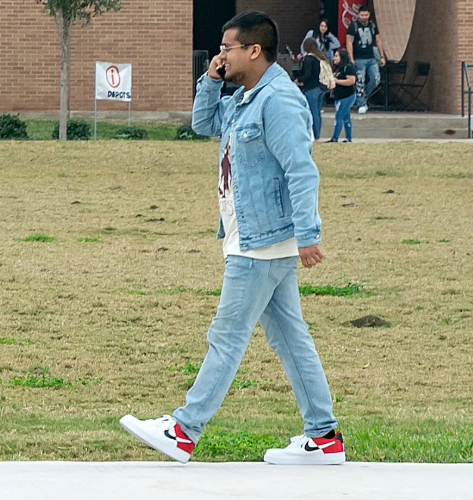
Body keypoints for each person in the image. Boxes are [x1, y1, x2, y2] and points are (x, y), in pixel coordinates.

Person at [121, 10, 343, 466]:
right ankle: (323, 438)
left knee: (227, 336)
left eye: (228, 48)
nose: (222, 54)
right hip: (257, 239)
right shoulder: (245, 97)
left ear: (254, 50)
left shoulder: (277, 101)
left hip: (261, 243)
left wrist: (308, 234)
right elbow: (203, 124)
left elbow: (302, 170)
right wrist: (210, 79)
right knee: (290, 338)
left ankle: (184, 430)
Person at [345, 8, 381, 114]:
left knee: (375, 79)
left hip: (372, 58)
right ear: (358, 15)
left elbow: (378, 40)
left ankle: (362, 98)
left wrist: (382, 56)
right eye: (362, 15)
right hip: (359, 58)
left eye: (366, 15)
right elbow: (349, 42)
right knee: (360, 82)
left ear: (369, 15)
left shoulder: (373, 25)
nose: (364, 17)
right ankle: (361, 103)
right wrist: (351, 58)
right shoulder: (353, 26)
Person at [295, 39, 330, 140]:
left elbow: (307, 74)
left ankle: (313, 135)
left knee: (311, 112)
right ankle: (317, 134)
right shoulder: (320, 57)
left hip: (311, 88)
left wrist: (298, 80)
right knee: (317, 112)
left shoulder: (308, 58)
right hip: (321, 87)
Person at [329, 50, 360, 143]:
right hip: (339, 95)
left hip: (347, 95)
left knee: (339, 116)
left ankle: (335, 138)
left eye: (336, 56)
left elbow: (351, 81)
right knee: (346, 117)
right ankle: (348, 137)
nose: (334, 58)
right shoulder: (339, 68)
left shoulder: (349, 67)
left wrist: (337, 81)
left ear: (342, 57)